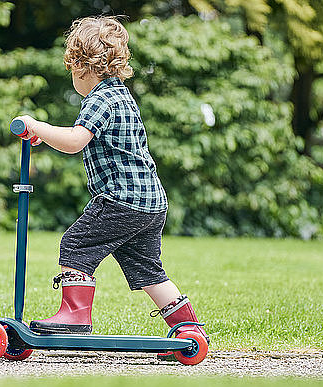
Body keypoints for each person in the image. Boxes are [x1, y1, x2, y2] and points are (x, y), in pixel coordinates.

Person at [12, 16, 209, 354]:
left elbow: (75, 141)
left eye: (73, 70)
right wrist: (45, 134)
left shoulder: (99, 100)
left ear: (83, 67)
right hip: (149, 203)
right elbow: (81, 139)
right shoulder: (121, 95)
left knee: (76, 245)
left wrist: (36, 125)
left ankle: (75, 316)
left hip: (121, 200)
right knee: (148, 270)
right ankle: (187, 327)